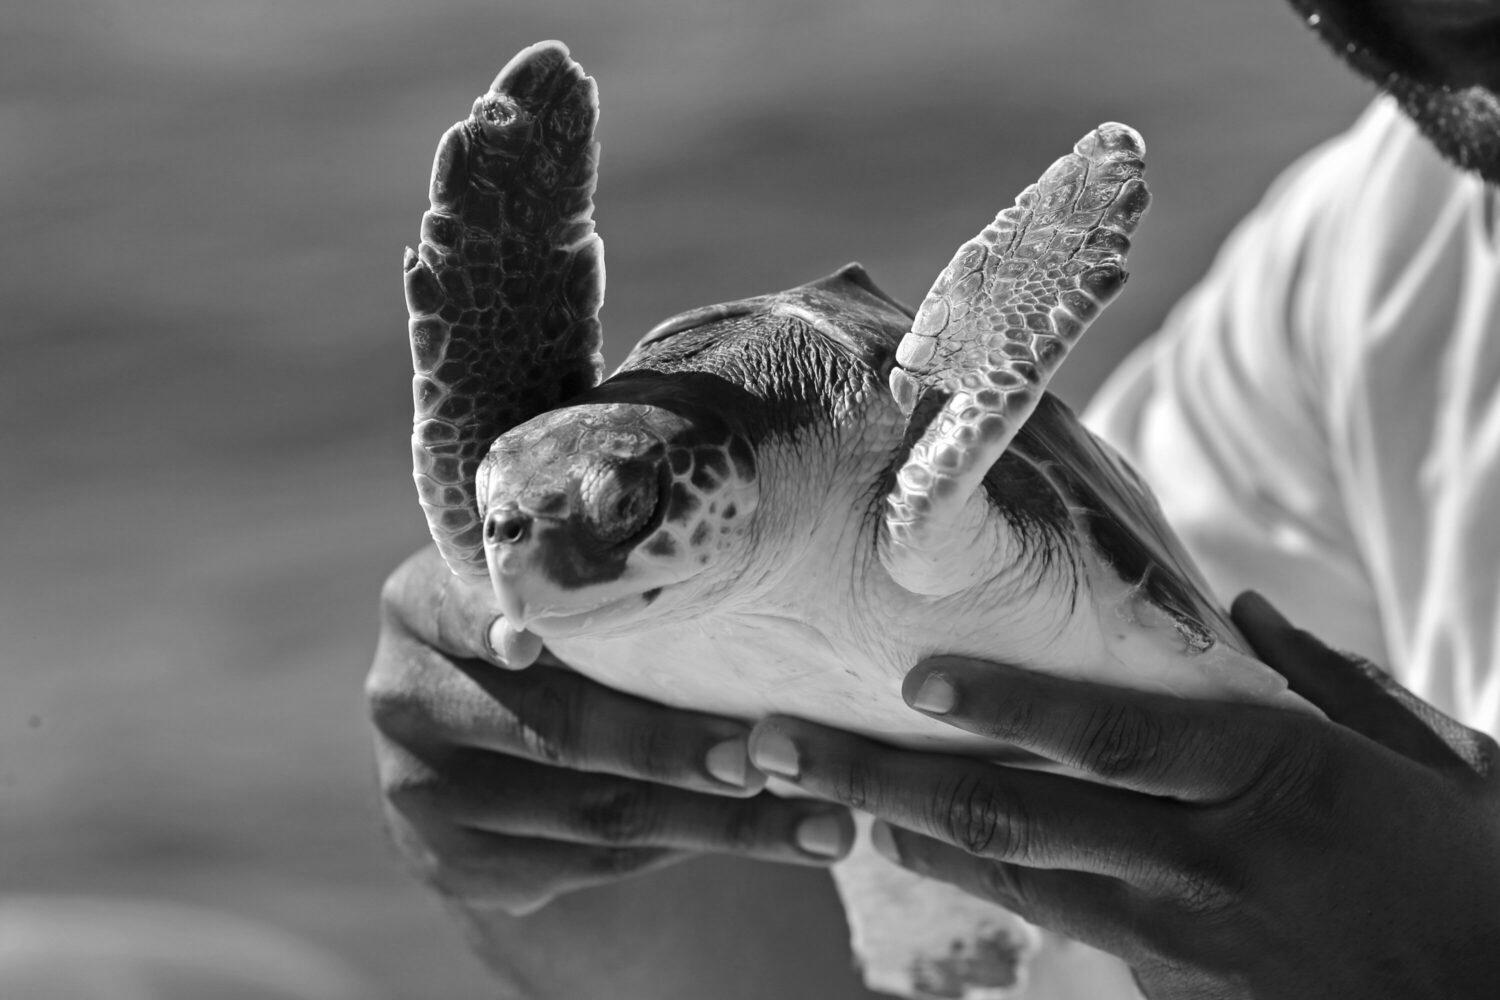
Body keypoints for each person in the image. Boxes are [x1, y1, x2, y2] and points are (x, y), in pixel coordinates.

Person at [366, 1, 1500, 996]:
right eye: (514, 525)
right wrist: (552, 834)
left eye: (620, 508)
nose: (532, 558)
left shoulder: (938, 487)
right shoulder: (1370, 269)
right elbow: (991, 935)